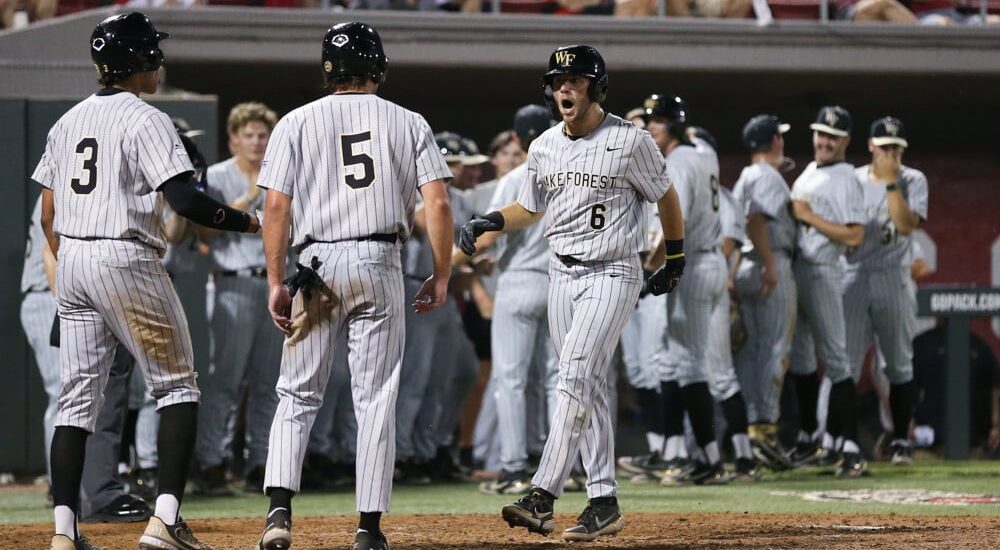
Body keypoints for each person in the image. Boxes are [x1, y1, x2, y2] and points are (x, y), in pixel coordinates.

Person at [36, 12, 261, 550]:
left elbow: (48, 213)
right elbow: (186, 202)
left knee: (75, 403)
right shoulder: (148, 118)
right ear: (138, 61)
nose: (159, 61)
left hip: (74, 258)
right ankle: (164, 521)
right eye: (152, 53)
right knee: (178, 386)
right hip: (126, 255)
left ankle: (64, 533)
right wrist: (250, 220)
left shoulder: (66, 121)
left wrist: (73, 261)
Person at [460, 45, 684, 542]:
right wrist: (493, 220)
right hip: (561, 274)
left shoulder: (631, 141)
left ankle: (542, 494)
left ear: (596, 86)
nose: (565, 87)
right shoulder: (543, 146)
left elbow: (665, 194)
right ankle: (603, 500)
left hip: (613, 270)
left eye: (576, 80)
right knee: (589, 388)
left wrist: (675, 257)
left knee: (575, 375)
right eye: (559, 80)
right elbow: (531, 207)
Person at [255, 22, 453, 550]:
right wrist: (441, 272)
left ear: (327, 71)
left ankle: (278, 513)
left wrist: (276, 280)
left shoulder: (294, 122)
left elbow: (276, 207)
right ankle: (368, 530)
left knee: (297, 393)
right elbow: (437, 202)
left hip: (314, 263)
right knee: (376, 399)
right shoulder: (408, 120)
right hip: (379, 260)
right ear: (379, 68)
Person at [454, 104, 557, 495]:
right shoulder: (566, 171)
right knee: (556, 381)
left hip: (519, 281)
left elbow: (488, 236)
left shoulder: (516, 176)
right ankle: (561, 468)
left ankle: (513, 467)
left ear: (516, 138)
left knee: (510, 379)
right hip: (561, 282)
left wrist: (446, 267)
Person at [194, 102, 283, 496]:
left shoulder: (281, 171)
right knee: (225, 381)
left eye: (262, 134)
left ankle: (259, 463)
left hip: (276, 283)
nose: (256, 142)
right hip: (232, 281)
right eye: (248, 134)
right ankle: (212, 462)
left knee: (269, 383)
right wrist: (248, 199)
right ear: (233, 138)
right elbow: (205, 234)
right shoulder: (217, 175)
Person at [642, 95, 729, 486]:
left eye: (658, 122)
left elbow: (676, 221)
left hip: (692, 263)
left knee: (690, 364)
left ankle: (711, 458)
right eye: (649, 121)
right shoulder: (703, 154)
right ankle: (693, 454)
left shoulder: (676, 162)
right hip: (711, 261)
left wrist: (650, 266)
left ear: (674, 125)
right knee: (682, 360)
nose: (650, 127)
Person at [786, 105, 867, 478]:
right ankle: (810, 438)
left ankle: (849, 445)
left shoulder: (847, 177)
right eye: (821, 133)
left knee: (836, 359)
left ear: (846, 141)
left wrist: (809, 217)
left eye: (833, 136)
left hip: (823, 270)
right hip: (800, 269)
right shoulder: (809, 170)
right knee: (801, 359)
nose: (825, 141)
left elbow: (855, 235)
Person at [844, 117, 928, 465]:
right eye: (884, 147)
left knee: (898, 363)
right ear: (870, 146)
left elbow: (907, 225)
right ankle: (844, 441)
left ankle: (901, 440)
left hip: (894, 275)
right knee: (845, 363)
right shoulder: (853, 179)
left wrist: (892, 184)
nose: (890, 154)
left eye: (896, 148)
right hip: (854, 272)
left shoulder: (912, 179)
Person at [731, 115, 797, 472]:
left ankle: (752, 429)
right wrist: (771, 265)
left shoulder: (745, 174)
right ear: (774, 141)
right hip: (771, 265)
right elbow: (755, 220)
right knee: (775, 349)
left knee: (752, 352)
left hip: (746, 266)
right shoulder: (766, 175)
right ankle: (765, 433)